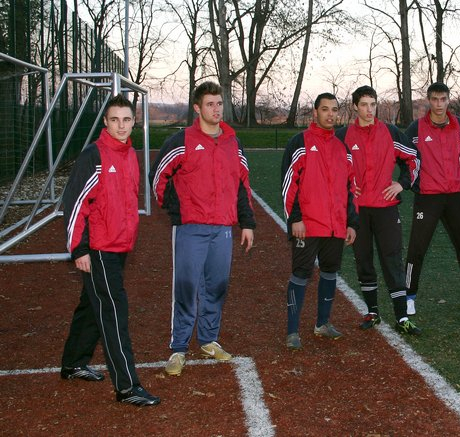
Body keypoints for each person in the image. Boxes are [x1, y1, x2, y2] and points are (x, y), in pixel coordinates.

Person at [61, 94, 160, 406]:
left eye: (127, 120)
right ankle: (127, 387)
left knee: (93, 304)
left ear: (134, 121)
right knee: (114, 310)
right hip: (99, 247)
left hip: (119, 245)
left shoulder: (129, 154)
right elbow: (75, 203)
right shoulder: (94, 155)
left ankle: (73, 362)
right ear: (105, 122)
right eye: (115, 120)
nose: (121, 126)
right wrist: (79, 249)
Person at [150, 82, 255, 376]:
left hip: (222, 228)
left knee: (217, 286)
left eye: (219, 103)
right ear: (197, 108)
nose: (216, 109)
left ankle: (208, 340)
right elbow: (158, 175)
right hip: (191, 228)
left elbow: (242, 184)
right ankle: (179, 347)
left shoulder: (233, 142)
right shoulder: (182, 140)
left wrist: (247, 223)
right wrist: (177, 210)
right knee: (186, 288)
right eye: (210, 104)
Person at [335, 86, 421, 335]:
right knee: (363, 260)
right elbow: (330, 167)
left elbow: (414, 158)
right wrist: (345, 187)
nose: (369, 110)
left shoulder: (391, 133)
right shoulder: (343, 135)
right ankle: (372, 312)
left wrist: (402, 184)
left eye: (373, 104)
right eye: (364, 105)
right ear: (355, 107)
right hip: (358, 210)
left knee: (392, 260)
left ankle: (402, 317)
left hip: (386, 208)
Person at [403, 82, 460, 315]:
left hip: (454, 195)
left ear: (448, 100)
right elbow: (405, 157)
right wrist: (413, 181)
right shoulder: (416, 128)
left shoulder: (458, 125)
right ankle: (408, 296)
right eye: (434, 99)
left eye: (443, 99)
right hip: (428, 196)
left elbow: (458, 154)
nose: (439, 104)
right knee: (417, 247)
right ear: (429, 100)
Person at [281, 93, 359, 350]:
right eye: (325, 109)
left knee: (329, 271)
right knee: (301, 273)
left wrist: (351, 222)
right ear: (315, 112)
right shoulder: (299, 143)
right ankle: (292, 331)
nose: (330, 114)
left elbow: (350, 188)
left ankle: (322, 324)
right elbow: (288, 184)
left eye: (334, 110)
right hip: (308, 224)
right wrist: (295, 219)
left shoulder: (342, 149)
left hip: (335, 225)